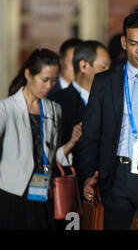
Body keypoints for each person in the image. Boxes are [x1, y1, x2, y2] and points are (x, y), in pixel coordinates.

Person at [78, 12, 138, 230]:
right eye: (133, 43)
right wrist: (87, 175)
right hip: (116, 175)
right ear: (124, 42)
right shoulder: (105, 81)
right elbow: (91, 134)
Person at [0, 48, 80, 229]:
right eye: (44, 80)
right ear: (29, 74)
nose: (49, 86)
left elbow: (53, 156)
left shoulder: (54, 109)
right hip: (13, 191)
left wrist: (71, 143)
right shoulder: (6, 109)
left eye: (53, 81)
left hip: (44, 189)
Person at [50, 40, 111, 196]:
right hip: (70, 188)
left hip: (106, 187)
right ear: (84, 66)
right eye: (103, 67)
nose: (108, 72)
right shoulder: (57, 102)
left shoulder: (112, 99)